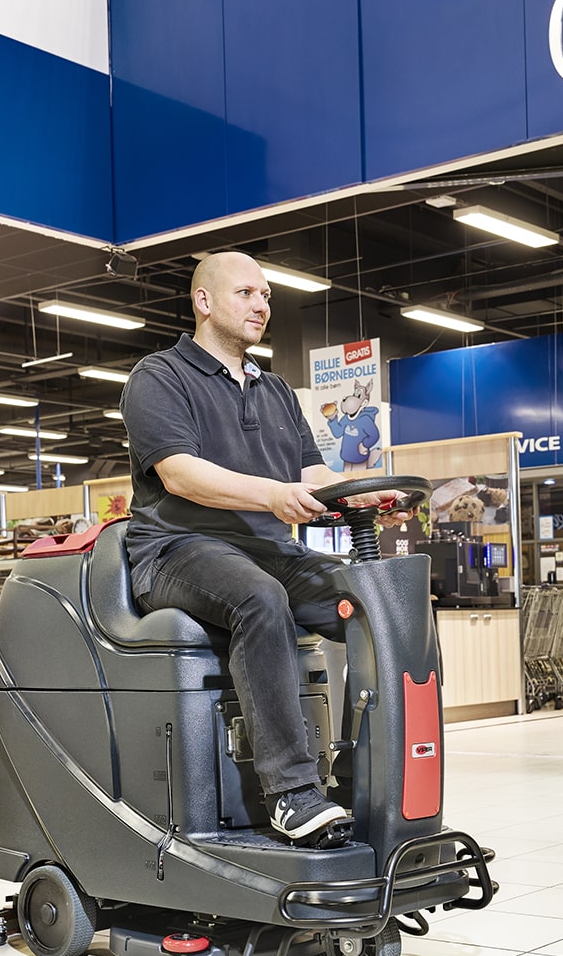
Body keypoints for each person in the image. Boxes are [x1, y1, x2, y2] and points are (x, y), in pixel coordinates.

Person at [120, 251, 396, 843]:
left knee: (377, 605)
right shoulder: (160, 377)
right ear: (204, 302)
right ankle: (291, 794)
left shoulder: (274, 391)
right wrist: (272, 495)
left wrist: (359, 493)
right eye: (247, 293)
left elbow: (312, 473)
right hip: (177, 549)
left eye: (266, 295)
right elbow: (180, 475)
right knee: (260, 598)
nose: (262, 305)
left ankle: (373, 773)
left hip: (267, 549)